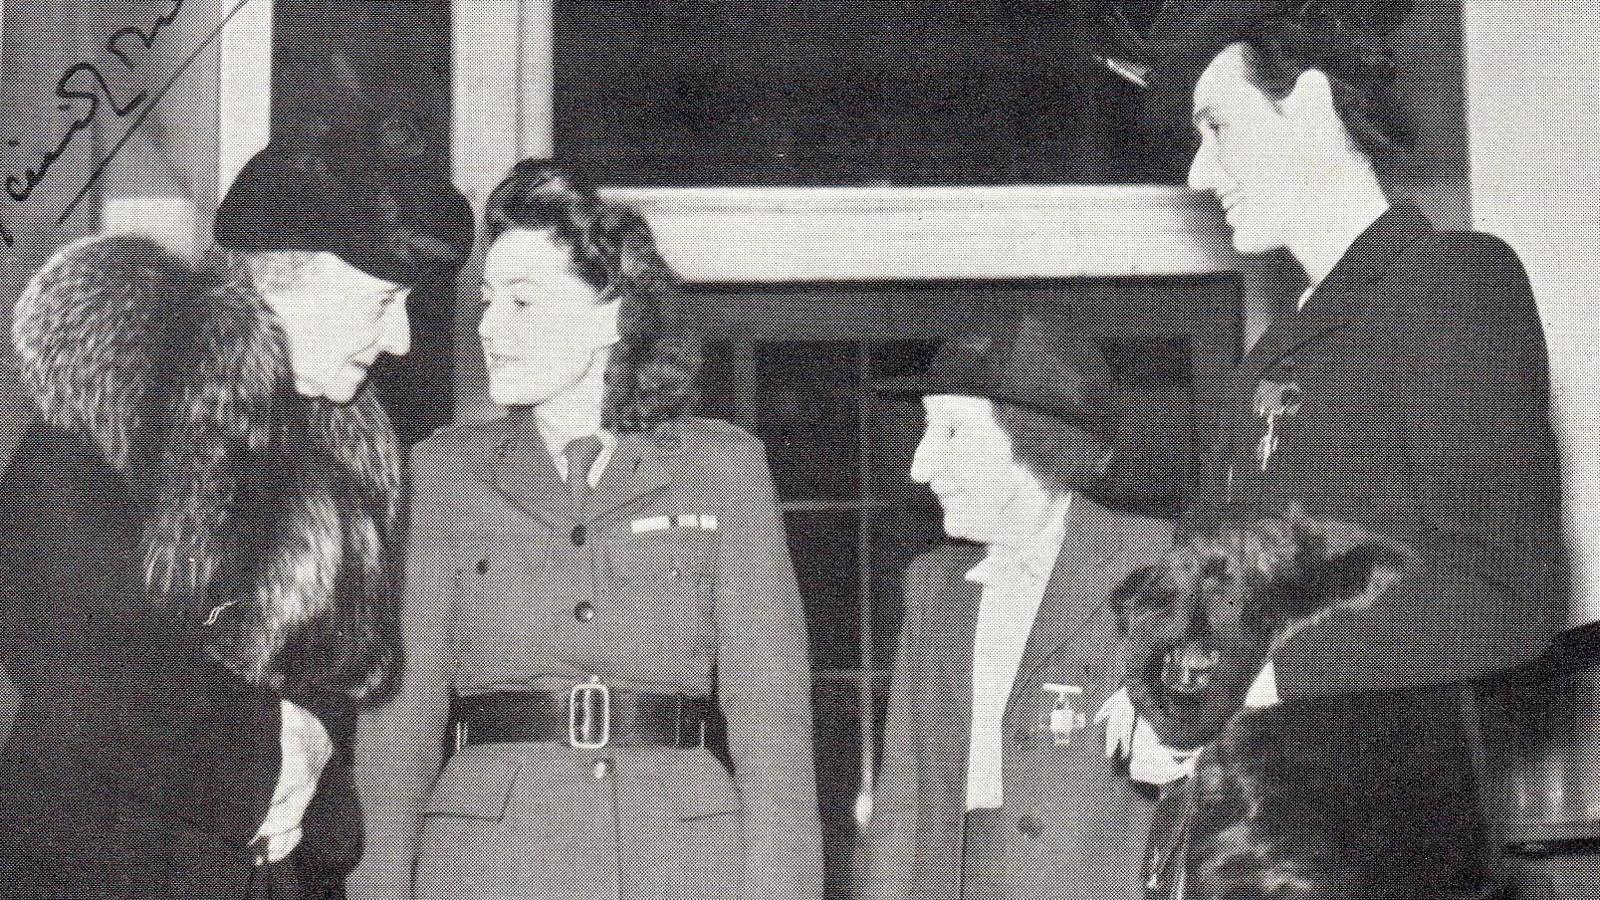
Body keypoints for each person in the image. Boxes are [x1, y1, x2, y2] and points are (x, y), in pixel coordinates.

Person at [1103, 1, 1570, 894]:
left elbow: (1508, 592)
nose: (1202, 170)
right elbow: (1216, 589)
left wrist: (1260, 677)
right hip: (1252, 856)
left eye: (1217, 125)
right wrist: (1163, 687)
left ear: (1310, 102)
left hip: (1390, 857)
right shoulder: (1271, 359)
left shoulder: (1451, 285)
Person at [0, 137, 472, 900]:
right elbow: (76, 656)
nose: (401, 340)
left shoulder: (344, 457)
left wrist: (315, 738)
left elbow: (329, 678)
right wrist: (266, 760)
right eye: (384, 301)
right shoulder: (91, 427)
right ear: (288, 279)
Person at [350, 162, 823, 900]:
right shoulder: (440, 474)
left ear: (611, 315)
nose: (488, 327)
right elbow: (397, 734)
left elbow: (774, 731)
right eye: (486, 300)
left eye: (522, 301)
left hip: (684, 862)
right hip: (487, 865)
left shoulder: (723, 468)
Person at [855, 308, 1187, 900]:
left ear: (1034, 439)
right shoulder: (932, 586)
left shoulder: (1155, 563)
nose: (920, 466)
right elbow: (900, 807)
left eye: (952, 433)